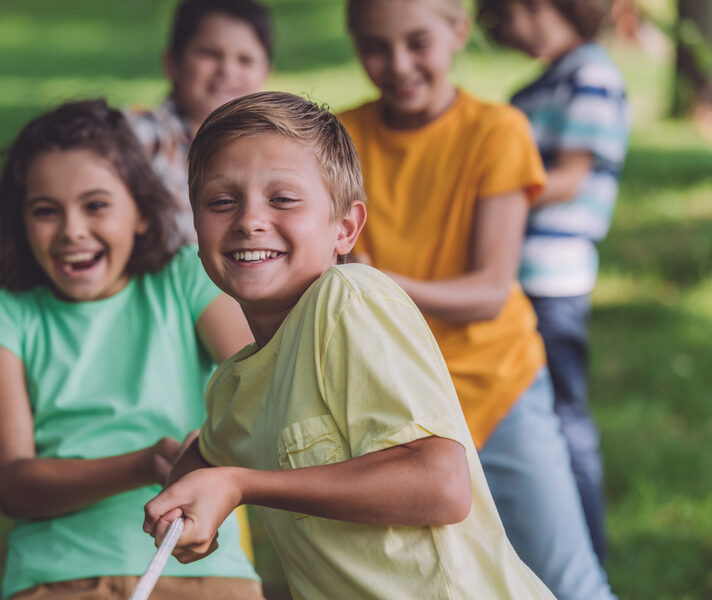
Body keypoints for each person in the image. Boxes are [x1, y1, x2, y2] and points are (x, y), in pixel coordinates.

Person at [143, 91, 555, 600]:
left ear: (346, 227)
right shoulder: (233, 386)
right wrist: (184, 503)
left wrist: (242, 485)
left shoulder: (348, 296)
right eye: (221, 201)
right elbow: (202, 463)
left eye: (283, 199)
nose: (249, 220)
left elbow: (440, 485)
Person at [337, 1, 616, 598]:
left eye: (418, 43)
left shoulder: (496, 131)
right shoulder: (342, 139)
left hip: (497, 383)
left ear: (458, 34)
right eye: (375, 47)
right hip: (393, 398)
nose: (398, 64)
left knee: (567, 581)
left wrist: (374, 283)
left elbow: (489, 291)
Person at [0, 99, 263, 600]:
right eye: (45, 211)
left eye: (95, 205)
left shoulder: (184, 278)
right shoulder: (3, 314)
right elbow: (12, 484)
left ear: (142, 213)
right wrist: (142, 465)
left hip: (207, 571)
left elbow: (263, 380)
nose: (73, 230)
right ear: (20, 223)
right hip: (60, 576)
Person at [476, 0, 631, 565]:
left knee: (563, 418)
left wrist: (492, 195)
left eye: (503, 23)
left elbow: (570, 175)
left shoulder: (590, 75)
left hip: (554, 278)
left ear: (534, 7)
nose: (505, 37)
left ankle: (584, 549)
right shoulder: (536, 87)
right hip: (515, 277)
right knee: (531, 413)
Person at [125, 0, 272, 248]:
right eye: (210, 54)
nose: (227, 70)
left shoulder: (275, 147)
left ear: (266, 72)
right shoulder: (138, 138)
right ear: (173, 62)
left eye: (245, 60)